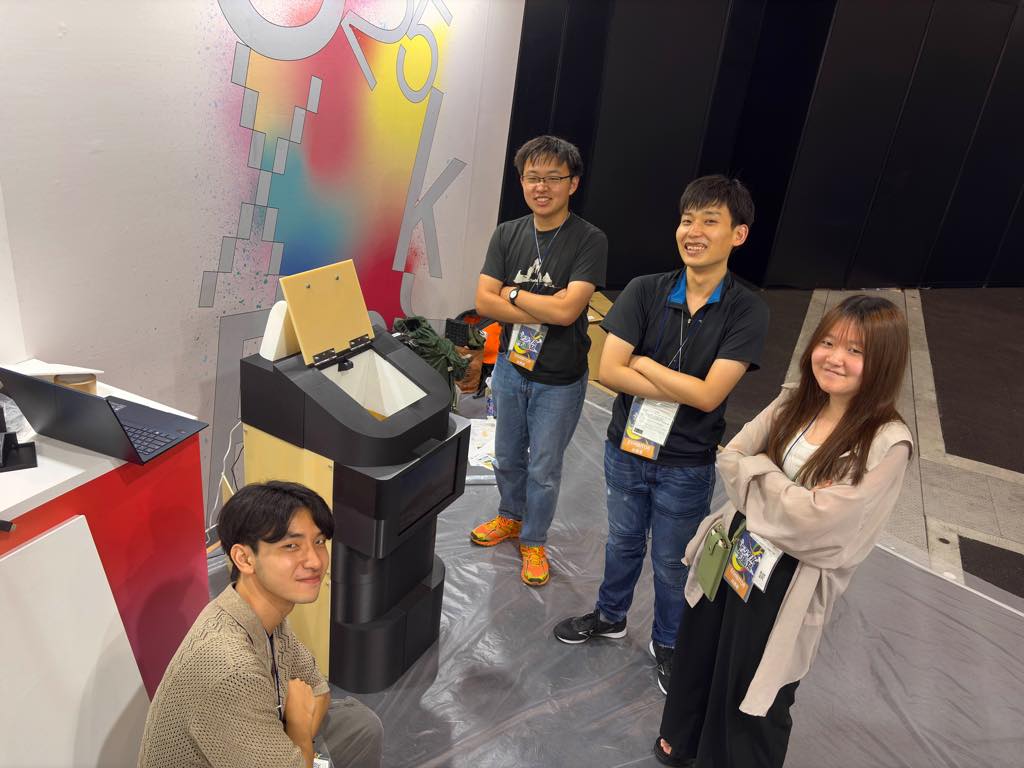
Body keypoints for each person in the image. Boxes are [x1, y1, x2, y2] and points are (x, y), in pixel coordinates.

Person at [654, 295, 913, 767]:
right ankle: (683, 737)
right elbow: (732, 457)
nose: (834, 357)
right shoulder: (795, 399)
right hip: (734, 544)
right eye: (828, 342)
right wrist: (792, 495)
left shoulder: (887, 443)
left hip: (789, 576)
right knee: (702, 644)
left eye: (855, 350)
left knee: (753, 679)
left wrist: (761, 474)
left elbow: (822, 526)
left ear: (884, 361)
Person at [554, 176, 769, 695]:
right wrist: (678, 382)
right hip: (626, 448)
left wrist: (646, 364)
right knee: (622, 542)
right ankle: (611, 616)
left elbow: (710, 396)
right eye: (687, 220)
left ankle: (670, 642)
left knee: (674, 561)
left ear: (738, 234)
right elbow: (609, 370)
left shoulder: (747, 309)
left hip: (687, 461)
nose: (693, 232)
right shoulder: (646, 289)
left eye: (709, 221)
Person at [138, 481, 383, 768]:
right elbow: (304, 704)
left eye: (319, 542)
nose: (315, 561)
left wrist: (295, 739)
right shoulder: (231, 669)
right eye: (291, 546)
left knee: (360, 725)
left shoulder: (263, 611)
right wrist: (298, 729)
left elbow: (318, 689)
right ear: (244, 558)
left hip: (261, 732)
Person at [470, 135, 608, 587]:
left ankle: (533, 539)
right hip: (511, 368)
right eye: (532, 177)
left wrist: (511, 294)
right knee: (507, 456)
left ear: (573, 183)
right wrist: (540, 304)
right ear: (522, 181)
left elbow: (569, 312)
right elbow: (483, 302)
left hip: (560, 378)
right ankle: (510, 516)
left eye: (553, 178)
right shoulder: (507, 233)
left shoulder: (589, 239)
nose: (541, 187)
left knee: (544, 468)